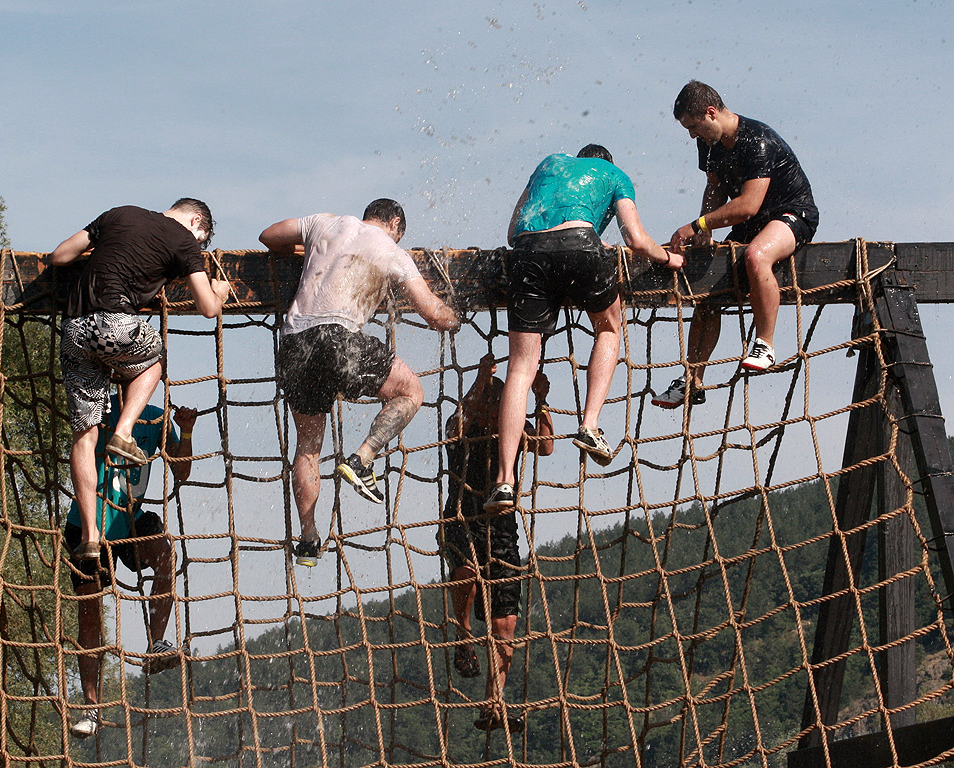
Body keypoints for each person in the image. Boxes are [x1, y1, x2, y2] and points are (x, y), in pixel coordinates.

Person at [258, 198, 459, 567]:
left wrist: (308, 251)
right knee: (412, 391)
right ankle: (363, 458)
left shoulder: (324, 222)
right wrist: (454, 315)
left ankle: (308, 538)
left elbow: (268, 235)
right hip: (338, 338)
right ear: (395, 223)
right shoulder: (392, 250)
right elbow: (434, 314)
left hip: (293, 342)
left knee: (308, 447)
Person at [485, 144, 683, 511]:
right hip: (581, 247)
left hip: (528, 255)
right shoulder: (614, 175)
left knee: (521, 367)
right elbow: (636, 239)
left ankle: (504, 481)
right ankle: (589, 426)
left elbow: (514, 231)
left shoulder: (548, 164)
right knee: (608, 329)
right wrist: (669, 257)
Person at [50, 198, 229, 560]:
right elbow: (208, 308)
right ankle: (124, 431)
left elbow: (60, 257)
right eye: (201, 237)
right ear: (196, 219)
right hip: (113, 322)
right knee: (154, 361)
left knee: (84, 434)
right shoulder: (183, 241)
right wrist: (221, 293)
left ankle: (89, 535)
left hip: (74, 329)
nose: (198, 244)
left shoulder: (119, 214)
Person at [653, 80, 819, 409]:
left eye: (693, 126)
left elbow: (747, 205)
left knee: (757, 257)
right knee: (707, 294)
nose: (691, 135)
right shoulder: (709, 144)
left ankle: (765, 345)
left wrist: (697, 224)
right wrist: (705, 229)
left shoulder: (757, 140)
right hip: (753, 224)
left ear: (711, 113)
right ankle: (692, 379)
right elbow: (714, 187)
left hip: (792, 214)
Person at [65, 395, 197, 739]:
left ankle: (156, 643)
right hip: (88, 525)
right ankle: (91, 706)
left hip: (129, 521)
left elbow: (181, 472)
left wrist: (186, 432)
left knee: (165, 551)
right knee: (90, 615)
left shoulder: (154, 418)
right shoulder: (99, 407)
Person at [439, 354, 553, 733]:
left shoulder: (512, 429)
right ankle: (463, 632)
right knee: (467, 572)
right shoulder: (465, 424)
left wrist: (539, 401)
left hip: (502, 525)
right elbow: (454, 427)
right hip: (463, 515)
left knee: (506, 622)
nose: (495, 408)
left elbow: (547, 446)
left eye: (501, 402)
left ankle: (494, 704)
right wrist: (479, 381)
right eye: (493, 401)